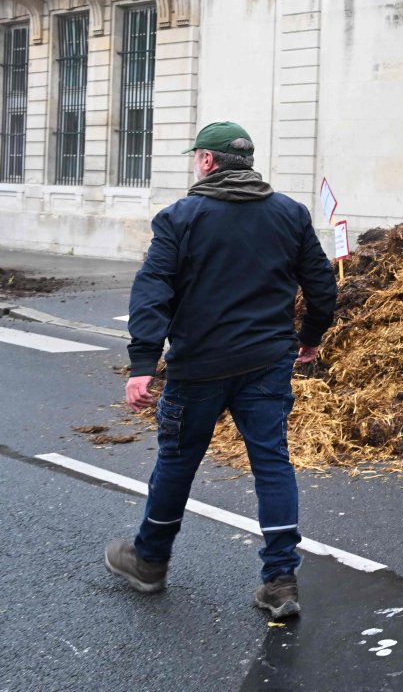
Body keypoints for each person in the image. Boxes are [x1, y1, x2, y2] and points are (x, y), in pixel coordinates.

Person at [103, 121, 337, 619]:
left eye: (197, 158)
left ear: (207, 162)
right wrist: (310, 339)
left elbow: (153, 291)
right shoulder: (289, 214)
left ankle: (149, 562)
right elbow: (322, 286)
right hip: (267, 362)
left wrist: (143, 362)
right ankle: (280, 582)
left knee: (178, 460)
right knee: (272, 462)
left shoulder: (181, 217)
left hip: (199, 366)